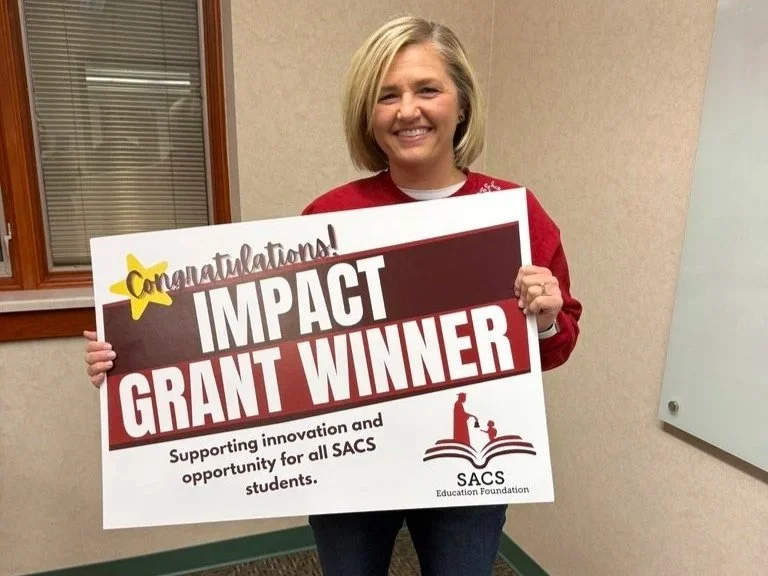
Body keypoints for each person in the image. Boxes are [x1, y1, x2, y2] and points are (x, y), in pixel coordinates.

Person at [84, 15, 582, 576]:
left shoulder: (511, 211)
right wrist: (135, 358)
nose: (407, 111)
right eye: (387, 95)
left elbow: (558, 343)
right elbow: (268, 342)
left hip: (467, 465)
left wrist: (544, 318)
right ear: (368, 114)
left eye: (427, 89)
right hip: (352, 466)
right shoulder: (331, 214)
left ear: (461, 103)